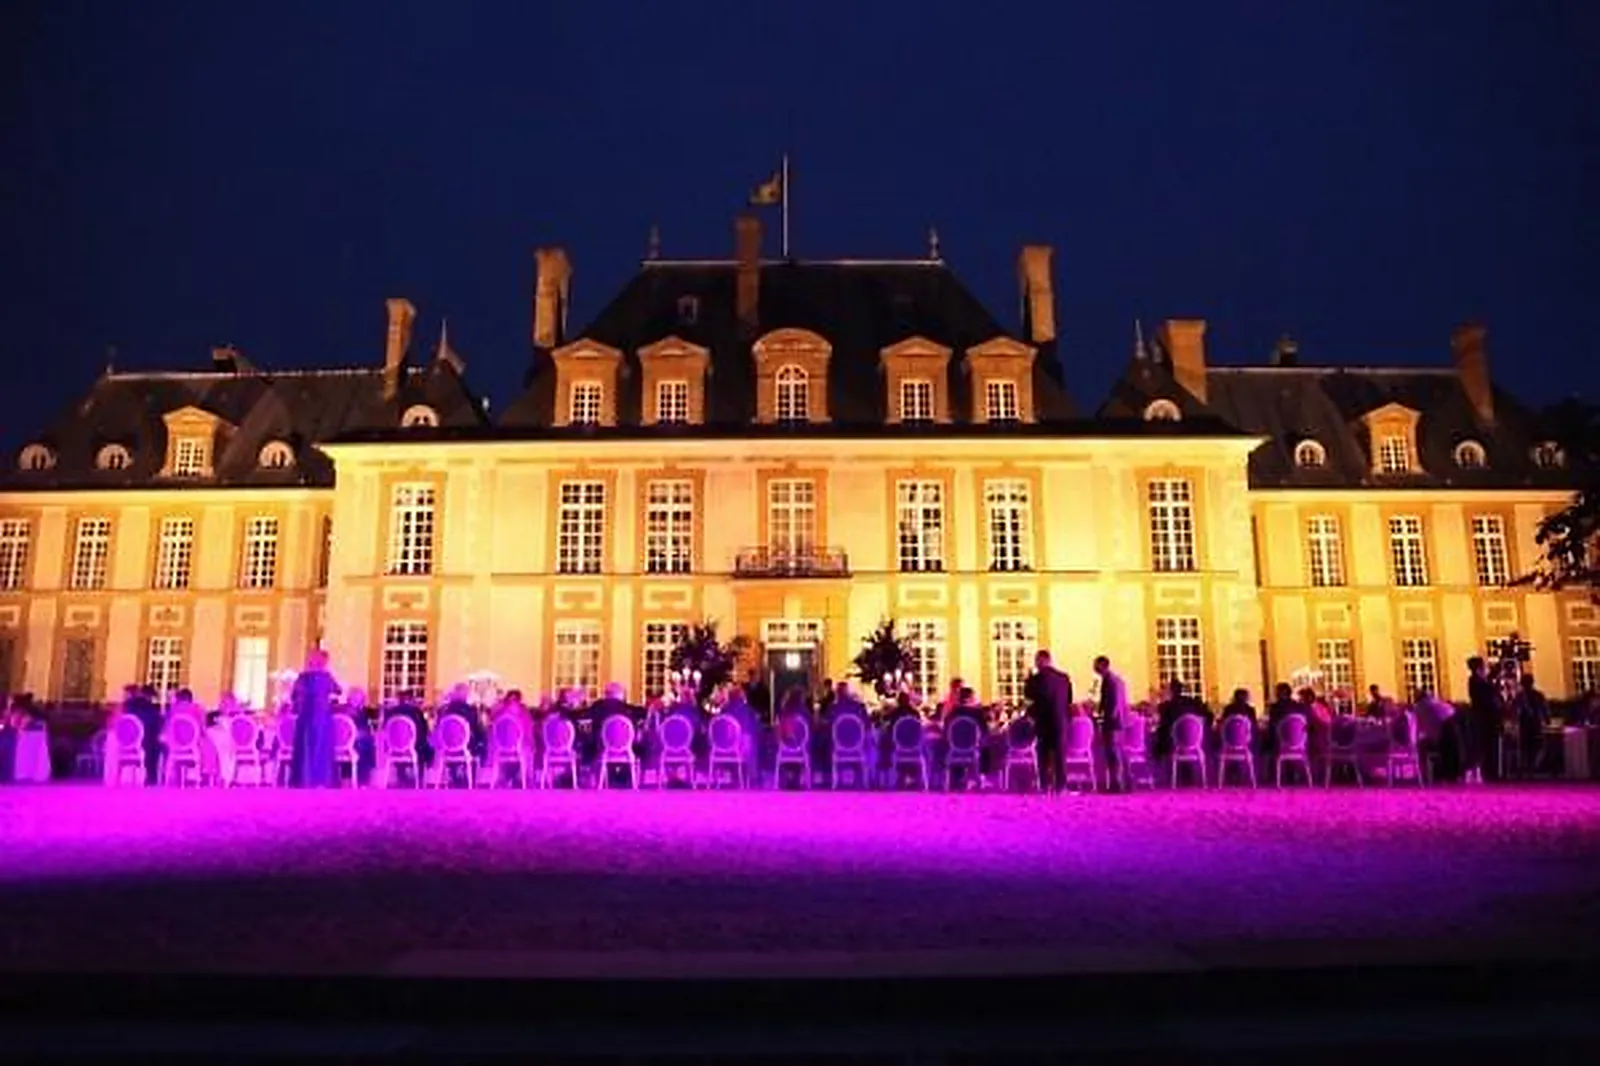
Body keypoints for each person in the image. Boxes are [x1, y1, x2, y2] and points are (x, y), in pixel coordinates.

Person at [289, 649, 341, 787]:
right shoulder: (326, 677)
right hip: (322, 715)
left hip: (306, 715)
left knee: (306, 745)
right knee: (321, 746)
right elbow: (338, 690)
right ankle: (322, 779)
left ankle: (304, 779)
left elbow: (294, 695)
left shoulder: (303, 677)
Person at [1023, 650, 1072, 795]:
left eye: (1036, 661)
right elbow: (1068, 700)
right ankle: (1061, 786)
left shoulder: (1035, 679)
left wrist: (1028, 680)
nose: (1035, 664)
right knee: (1060, 755)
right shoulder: (1063, 678)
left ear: (1040, 661)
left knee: (1043, 755)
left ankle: (1044, 786)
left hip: (1043, 721)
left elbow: (1028, 697)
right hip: (1060, 721)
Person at [1093, 656, 1128, 792]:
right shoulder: (1117, 680)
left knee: (1113, 753)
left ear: (1103, 665)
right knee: (1118, 752)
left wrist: (1104, 717)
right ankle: (1122, 783)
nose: (1094, 668)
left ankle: (1116, 784)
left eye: (1096, 665)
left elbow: (1112, 702)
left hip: (1112, 721)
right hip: (1118, 720)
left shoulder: (1110, 680)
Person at [1464, 656, 1499, 784]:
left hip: (1481, 716)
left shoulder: (1476, 680)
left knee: (1481, 745)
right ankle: (1483, 771)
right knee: (1482, 744)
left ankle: (1482, 771)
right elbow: (1489, 693)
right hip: (1483, 717)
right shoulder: (1476, 681)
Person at [1515, 674, 1549, 774]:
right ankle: (1533, 766)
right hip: (1534, 723)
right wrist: (1547, 719)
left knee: (1527, 747)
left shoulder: (1521, 696)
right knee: (1535, 746)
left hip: (1526, 724)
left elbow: (1515, 709)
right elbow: (1544, 708)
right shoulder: (1537, 695)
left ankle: (1529, 767)